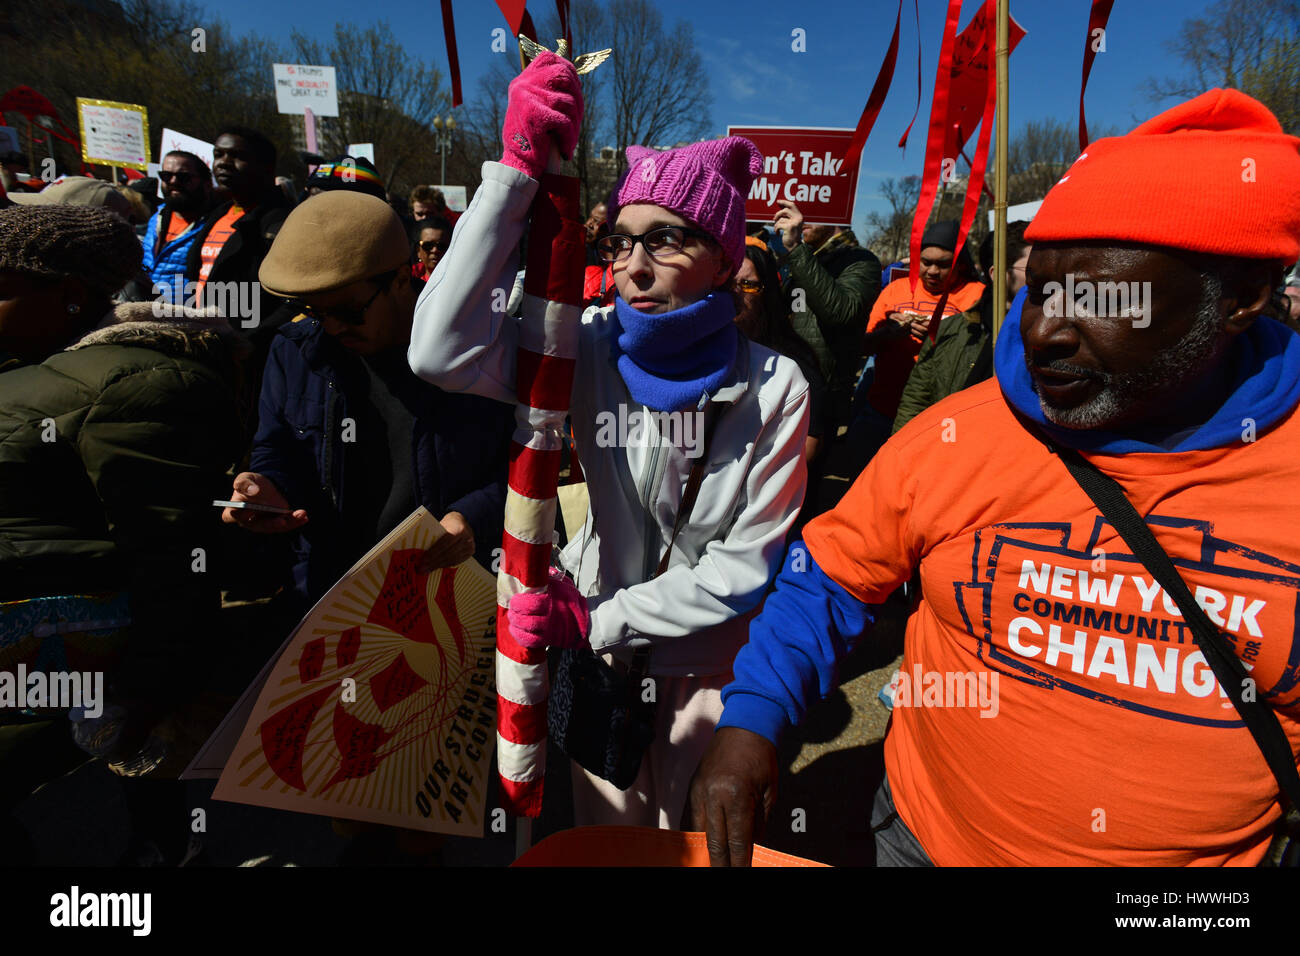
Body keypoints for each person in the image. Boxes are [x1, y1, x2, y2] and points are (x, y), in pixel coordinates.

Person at [687, 88, 1300, 867]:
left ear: (1241, 299)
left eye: (1102, 297)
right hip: (920, 845)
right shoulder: (959, 434)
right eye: (1039, 288)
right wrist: (753, 719)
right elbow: (830, 577)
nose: (1044, 330)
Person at [408, 52, 810, 829]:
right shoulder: (581, 344)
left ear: (725, 259)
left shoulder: (777, 385)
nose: (632, 263)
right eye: (622, 241)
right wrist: (514, 177)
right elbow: (438, 351)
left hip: (704, 675)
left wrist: (598, 619)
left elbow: (743, 568)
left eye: (665, 239)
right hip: (593, 660)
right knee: (608, 847)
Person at [0, 204, 248, 864]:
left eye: (1, 287)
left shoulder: (131, 383)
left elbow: (170, 561)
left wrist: (144, 694)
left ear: (71, 296)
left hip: (56, 670)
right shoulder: (34, 368)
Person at [222, 190, 512, 608]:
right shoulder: (293, 351)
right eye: (316, 312)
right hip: (329, 587)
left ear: (399, 277)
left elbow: (523, 465)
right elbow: (277, 444)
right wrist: (266, 486)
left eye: (349, 310)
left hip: (445, 595)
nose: (333, 327)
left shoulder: (478, 351)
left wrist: (471, 518)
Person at [891, 221, 1032, 433]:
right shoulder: (951, 330)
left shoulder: (1053, 336)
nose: (1048, 274)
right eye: (1032, 268)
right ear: (998, 273)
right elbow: (916, 401)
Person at [773, 201, 882, 434]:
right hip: (785, 385)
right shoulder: (804, 257)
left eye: (809, 210)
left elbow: (839, 313)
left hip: (821, 394)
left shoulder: (861, 261)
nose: (800, 219)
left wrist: (796, 250)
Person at [187, 126, 291, 339]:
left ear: (266, 167)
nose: (223, 162)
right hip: (205, 338)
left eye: (237, 156)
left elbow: (292, 299)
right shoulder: (218, 214)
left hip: (244, 352)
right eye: (218, 154)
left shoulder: (283, 221)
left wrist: (251, 341)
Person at [140, 150, 215, 305]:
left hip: (187, 319)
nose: (173, 181)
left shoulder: (215, 225)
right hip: (145, 312)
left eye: (184, 177)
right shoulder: (157, 217)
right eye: (166, 176)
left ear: (207, 184)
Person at [411, 216, 452, 281]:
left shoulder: (459, 279)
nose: (435, 250)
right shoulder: (409, 278)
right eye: (428, 245)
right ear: (418, 250)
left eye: (441, 246)